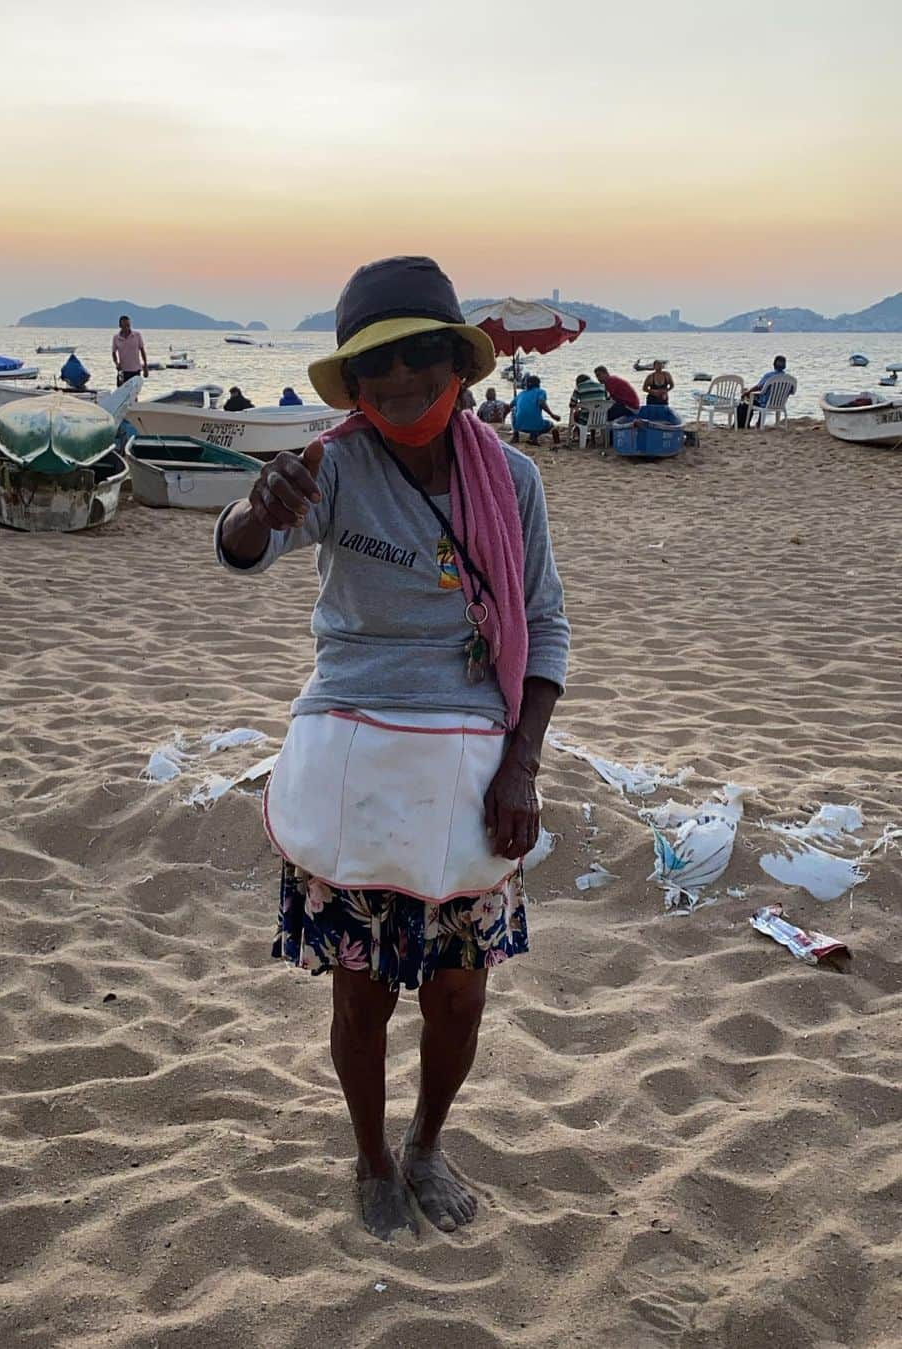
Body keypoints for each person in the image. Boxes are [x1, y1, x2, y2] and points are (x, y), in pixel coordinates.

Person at [216, 255, 570, 1242]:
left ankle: (426, 1140)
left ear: (458, 365)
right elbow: (246, 545)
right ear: (354, 381)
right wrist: (258, 508)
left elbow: (544, 627)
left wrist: (523, 763)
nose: (403, 380)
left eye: (423, 356)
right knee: (362, 988)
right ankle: (371, 1155)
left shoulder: (515, 479)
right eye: (380, 364)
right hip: (356, 744)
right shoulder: (330, 465)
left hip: (475, 754)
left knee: (458, 992)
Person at [511, 375, 561, 447]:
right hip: (536, 426)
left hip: (519, 426)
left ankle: (515, 435)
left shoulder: (521, 394)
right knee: (551, 425)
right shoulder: (541, 392)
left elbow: (511, 405)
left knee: (513, 410)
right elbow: (541, 402)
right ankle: (535, 436)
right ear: (538, 384)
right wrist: (552, 415)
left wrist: (517, 401)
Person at [111, 315, 149, 386]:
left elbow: (142, 350)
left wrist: (145, 367)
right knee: (121, 392)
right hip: (123, 371)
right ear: (120, 326)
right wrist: (116, 363)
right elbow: (113, 353)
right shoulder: (116, 338)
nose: (127, 328)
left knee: (134, 393)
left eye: (128, 325)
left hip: (135, 370)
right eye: (124, 326)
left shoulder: (137, 335)